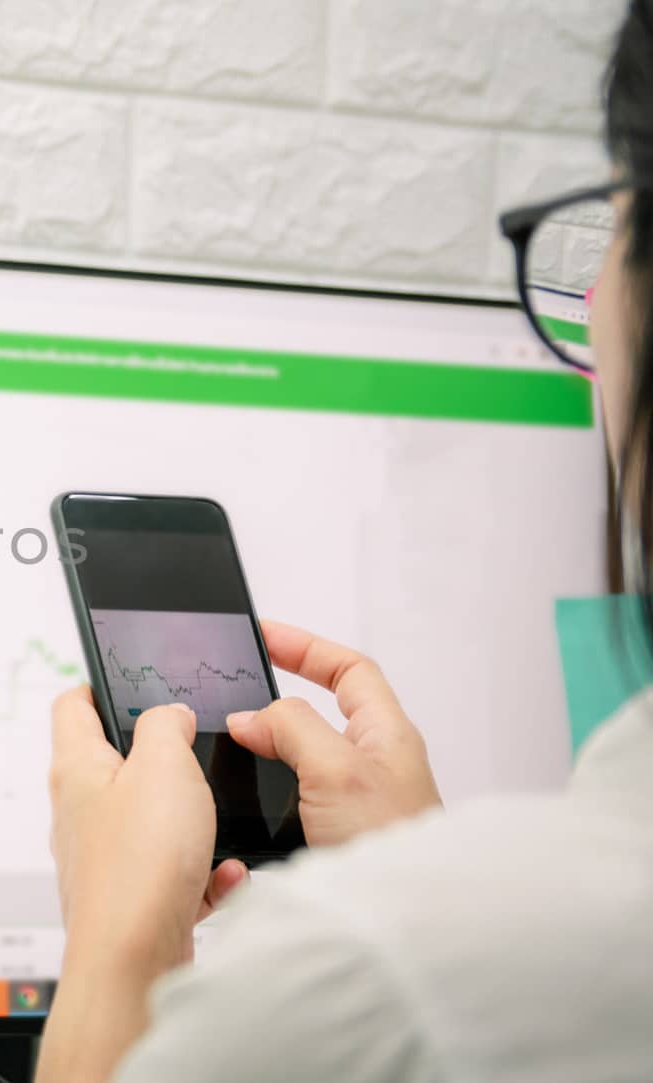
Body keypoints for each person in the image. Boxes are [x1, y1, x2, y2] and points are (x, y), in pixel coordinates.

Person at [37, 4, 653, 1081]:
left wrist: (115, 935)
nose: (593, 304)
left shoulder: (356, 979)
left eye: (616, 233)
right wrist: (421, 873)